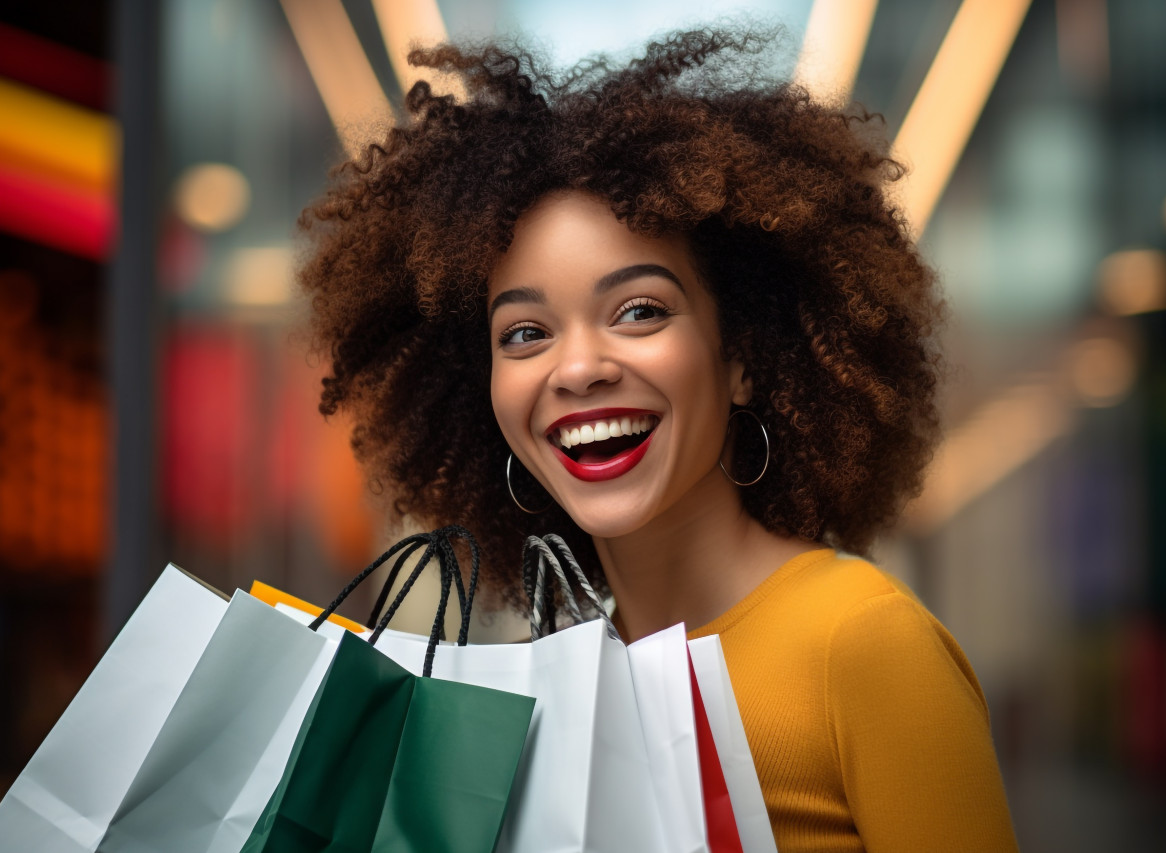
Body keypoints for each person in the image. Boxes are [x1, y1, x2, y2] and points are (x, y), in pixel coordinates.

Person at [297, 27, 1019, 852]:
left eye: (639, 310)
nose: (578, 368)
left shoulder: (863, 644)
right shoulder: (551, 691)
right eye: (525, 333)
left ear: (742, 354)